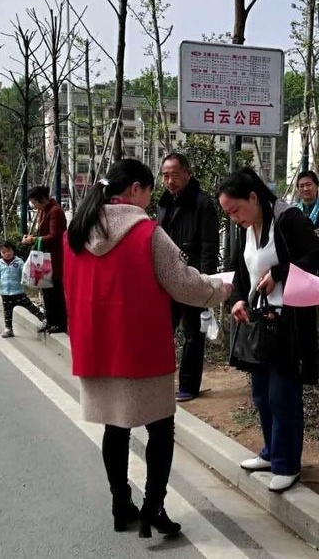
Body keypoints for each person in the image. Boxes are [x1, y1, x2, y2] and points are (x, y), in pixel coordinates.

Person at [63, 159, 232, 539]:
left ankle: (120, 504)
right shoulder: (147, 233)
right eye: (149, 191)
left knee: (115, 427)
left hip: (95, 348)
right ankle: (153, 508)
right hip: (141, 349)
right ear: (136, 189)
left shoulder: (77, 232)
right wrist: (219, 288)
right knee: (160, 428)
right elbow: (183, 284)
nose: (150, 199)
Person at [219, 168, 319, 493]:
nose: (234, 218)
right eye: (228, 213)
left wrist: (279, 273)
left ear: (253, 197)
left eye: (235, 210)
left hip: (287, 323)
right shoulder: (246, 228)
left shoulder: (287, 218)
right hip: (259, 323)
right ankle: (270, 452)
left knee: (283, 396)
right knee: (262, 394)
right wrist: (238, 299)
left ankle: (287, 464)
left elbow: (317, 256)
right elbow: (240, 271)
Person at [157, 152, 220, 402]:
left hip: (193, 278)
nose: (169, 181)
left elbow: (209, 246)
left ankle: (189, 385)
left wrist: (206, 281)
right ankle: (159, 380)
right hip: (167, 278)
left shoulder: (202, 203)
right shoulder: (164, 202)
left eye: (174, 175)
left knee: (193, 334)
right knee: (162, 331)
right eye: (165, 176)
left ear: (187, 173)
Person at [21, 185, 67, 334]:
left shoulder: (55, 211)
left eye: (34, 202)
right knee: (46, 290)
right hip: (45, 257)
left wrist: (34, 239)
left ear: (42, 199)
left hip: (54, 257)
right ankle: (50, 320)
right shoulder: (44, 211)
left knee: (55, 291)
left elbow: (55, 236)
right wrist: (33, 237)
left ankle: (59, 323)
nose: (34, 205)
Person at [0, 240, 44, 338]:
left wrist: (30, 278)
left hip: (18, 292)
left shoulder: (19, 262)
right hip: (5, 293)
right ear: (0, 253)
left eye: (9, 251)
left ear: (13, 250)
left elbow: (25, 273)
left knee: (31, 307)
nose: (7, 254)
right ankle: (8, 329)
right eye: (4, 252)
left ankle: (44, 319)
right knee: (7, 312)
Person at [295, 170, 319, 235]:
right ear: (298, 189)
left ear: (317, 186)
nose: (305, 189)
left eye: (308, 184)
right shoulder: (293, 211)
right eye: (301, 186)